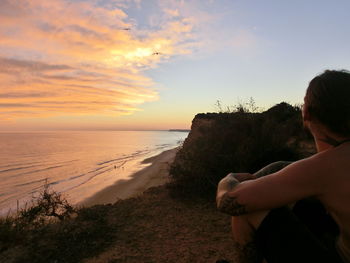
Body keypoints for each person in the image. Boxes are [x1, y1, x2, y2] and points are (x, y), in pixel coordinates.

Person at [216, 70, 350, 263]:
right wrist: (276, 170)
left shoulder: (326, 166)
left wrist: (229, 180)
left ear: (307, 113)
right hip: (337, 237)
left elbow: (231, 200)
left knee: (249, 209)